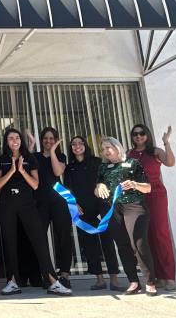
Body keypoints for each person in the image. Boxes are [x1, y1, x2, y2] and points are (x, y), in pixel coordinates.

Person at [0, 128, 72, 296]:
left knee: (39, 241)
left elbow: (35, 185)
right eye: (10, 138)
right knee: (10, 242)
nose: (14, 140)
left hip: (27, 204)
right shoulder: (1, 160)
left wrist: (22, 171)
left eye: (17, 137)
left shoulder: (29, 158)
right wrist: (12, 170)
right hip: (7, 204)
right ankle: (12, 282)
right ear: (6, 142)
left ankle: (53, 281)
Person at [95, 136, 157, 296]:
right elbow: (97, 190)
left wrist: (135, 184)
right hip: (113, 209)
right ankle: (133, 282)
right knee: (122, 245)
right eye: (103, 149)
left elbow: (148, 188)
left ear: (117, 147)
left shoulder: (133, 163)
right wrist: (99, 186)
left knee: (138, 243)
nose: (106, 151)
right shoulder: (103, 167)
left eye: (108, 147)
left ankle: (150, 281)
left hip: (134, 206)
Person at [63, 136, 121, 291]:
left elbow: (105, 179)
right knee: (89, 245)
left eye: (80, 143)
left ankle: (114, 279)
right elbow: (67, 189)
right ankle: (99, 280)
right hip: (83, 209)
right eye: (74, 144)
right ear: (71, 148)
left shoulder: (97, 162)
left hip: (102, 206)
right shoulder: (70, 167)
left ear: (85, 145)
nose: (77, 146)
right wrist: (74, 204)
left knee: (107, 242)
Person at [128, 124, 176, 291]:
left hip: (155, 195)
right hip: (137, 196)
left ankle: (168, 276)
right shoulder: (129, 154)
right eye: (135, 134)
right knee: (145, 237)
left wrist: (166, 142)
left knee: (160, 234)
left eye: (142, 133)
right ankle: (154, 278)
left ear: (147, 135)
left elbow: (170, 163)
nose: (138, 136)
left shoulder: (155, 152)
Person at [33, 127, 73, 288]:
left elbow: (57, 172)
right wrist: (31, 145)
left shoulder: (61, 156)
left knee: (63, 237)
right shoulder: (36, 157)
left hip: (58, 200)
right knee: (40, 239)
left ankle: (64, 275)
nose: (48, 141)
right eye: (45, 138)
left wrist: (53, 152)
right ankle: (47, 275)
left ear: (55, 140)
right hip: (40, 202)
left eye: (51, 138)